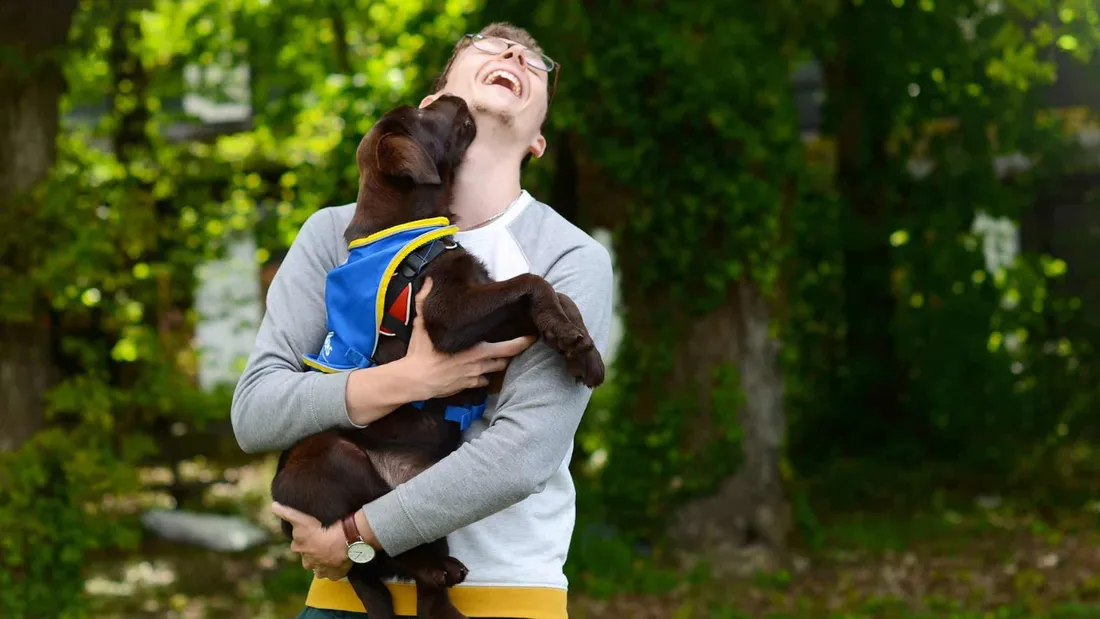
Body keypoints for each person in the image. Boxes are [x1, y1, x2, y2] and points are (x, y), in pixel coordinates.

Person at [230, 22, 614, 619]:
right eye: (487, 44)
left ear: (539, 139)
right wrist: (409, 380)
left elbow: (523, 454)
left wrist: (359, 535)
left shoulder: (567, 256)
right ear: (435, 104)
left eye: (536, 60)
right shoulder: (336, 235)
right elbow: (255, 413)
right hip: (343, 603)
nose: (514, 52)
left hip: (504, 594)